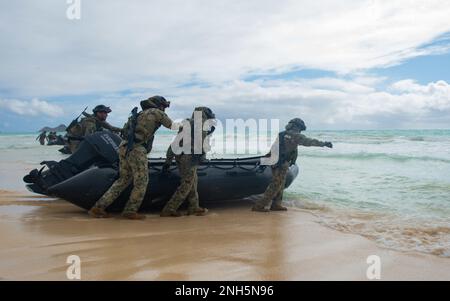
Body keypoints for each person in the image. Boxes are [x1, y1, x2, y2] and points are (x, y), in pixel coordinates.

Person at [88, 96, 176, 220]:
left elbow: (125, 130)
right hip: (137, 149)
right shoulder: (157, 112)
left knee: (123, 180)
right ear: (158, 105)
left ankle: (98, 207)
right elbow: (173, 126)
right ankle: (130, 211)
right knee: (142, 181)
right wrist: (190, 126)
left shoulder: (139, 115)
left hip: (124, 147)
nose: (164, 108)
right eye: (164, 106)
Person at [252, 118, 333, 212]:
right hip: (281, 163)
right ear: (297, 127)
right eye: (300, 128)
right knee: (275, 185)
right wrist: (324, 144)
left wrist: (266, 160)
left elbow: (273, 148)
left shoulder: (282, 134)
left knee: (280, 184)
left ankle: (276, 204)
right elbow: (309, 142)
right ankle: (259, 206)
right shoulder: (296, 136)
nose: (300, 130)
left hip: (275, 161)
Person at [160, 107, 216, 217]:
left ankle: (194, 207)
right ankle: (169, 208)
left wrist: (168, 160)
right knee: (187, 184)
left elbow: (175, 142)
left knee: (193, 182)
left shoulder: (187, 124)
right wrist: (202, 157)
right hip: (189, 157)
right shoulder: (201, 124)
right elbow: (201, 144)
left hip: (180, 155)